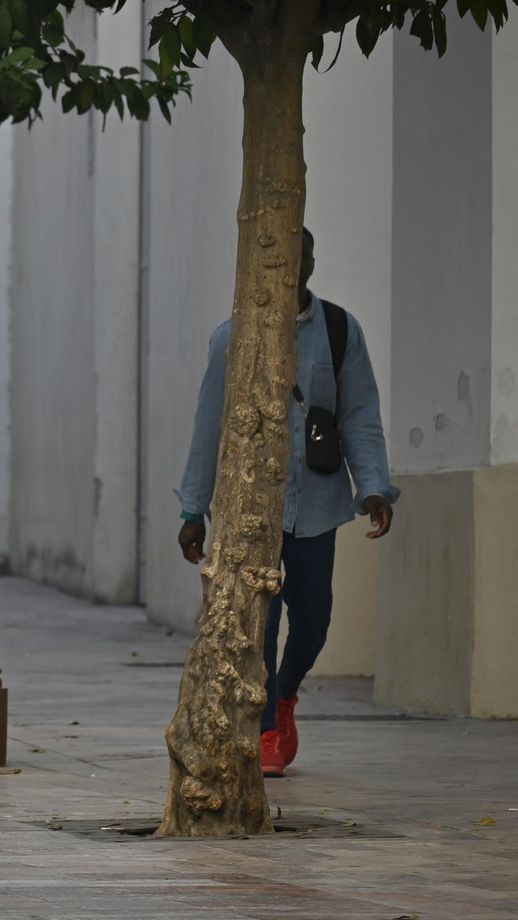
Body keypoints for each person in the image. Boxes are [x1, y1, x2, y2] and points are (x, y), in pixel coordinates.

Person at [176, 226, 398, 779]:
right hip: (250, 506)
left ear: (312, 263)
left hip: (317, 505)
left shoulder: (342, 332)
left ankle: (284, 698)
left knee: (315, 620)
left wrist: (373, 487)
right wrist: (192, 509)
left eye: (304, 257)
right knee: (262, 622)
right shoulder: (231, 337)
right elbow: (210, 426)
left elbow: (360, 416)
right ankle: (268, 732)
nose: (294, 267)